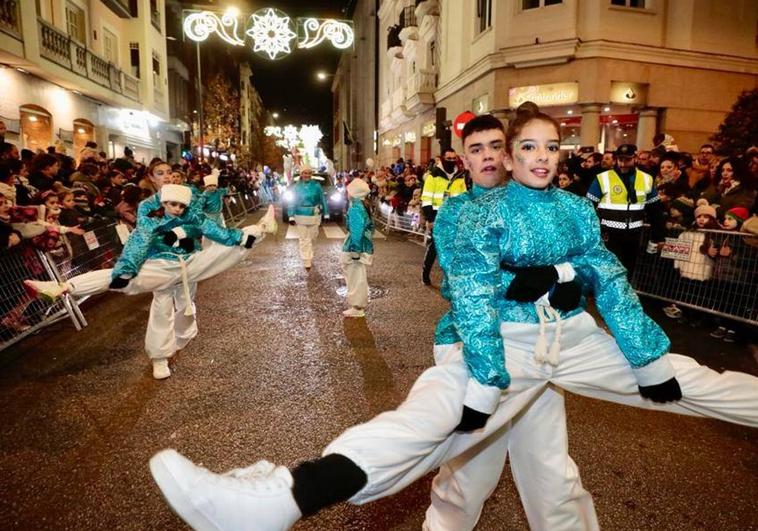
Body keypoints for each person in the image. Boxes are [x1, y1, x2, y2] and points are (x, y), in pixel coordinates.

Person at [147, 109, 758, 531]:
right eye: (481, 149)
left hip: (555, 346)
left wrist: (569, 282)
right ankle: (286, 494)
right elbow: (466, 284)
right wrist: (545, 283)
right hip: (479, 345)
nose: (493, 157)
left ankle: (281, 497)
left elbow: (595, 269)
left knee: (554, 480)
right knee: (461, 475)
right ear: (464, 158)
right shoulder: (460, 211)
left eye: (505, 146)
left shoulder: (565, 207)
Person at [585, 143, 666, 277]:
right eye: (620, 160)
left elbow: (655, 211)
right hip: (608, 235)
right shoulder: (603, 178)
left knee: (627, 273)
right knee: (609, 274)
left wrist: (658, 237)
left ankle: (623, 297)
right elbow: (587, 209)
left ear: (635, 158)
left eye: (627, 160)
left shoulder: (646, 179)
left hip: (634, 236)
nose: (623, 164)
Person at [420, 148, 466, 285]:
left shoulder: (460, 176)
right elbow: (426, 199)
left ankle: (451, 277)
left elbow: (463, 198)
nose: (451, 161)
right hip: (437, 216)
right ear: (442, 159)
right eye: (448, 158)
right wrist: (430, 219)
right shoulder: (433, 176)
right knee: (435, 246)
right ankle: (425, 271)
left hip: (454, 217)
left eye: (453, 158)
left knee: (454, 246)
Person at [341, 178, 374, 318]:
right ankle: (357, 305)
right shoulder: (361, 205)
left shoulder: (355, 208)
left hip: (355, 247)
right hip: (361, 245)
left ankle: (357, 307)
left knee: (355, 276)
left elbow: (356, 231)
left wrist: (355, 250)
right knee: (357, 275)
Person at [288, 164, 328, 270]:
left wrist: (326, 213)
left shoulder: (316, 185)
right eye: (305, 173)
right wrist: (291, 215)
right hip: (300, 214)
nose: (307, 175)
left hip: (314, 214)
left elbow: (322, 199)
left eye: (309, 173)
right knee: (304, 238)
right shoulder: (296, 186)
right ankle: (307, 260)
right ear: (301, 174)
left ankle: (308, 253)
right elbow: (292, 201)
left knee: (312, 237)